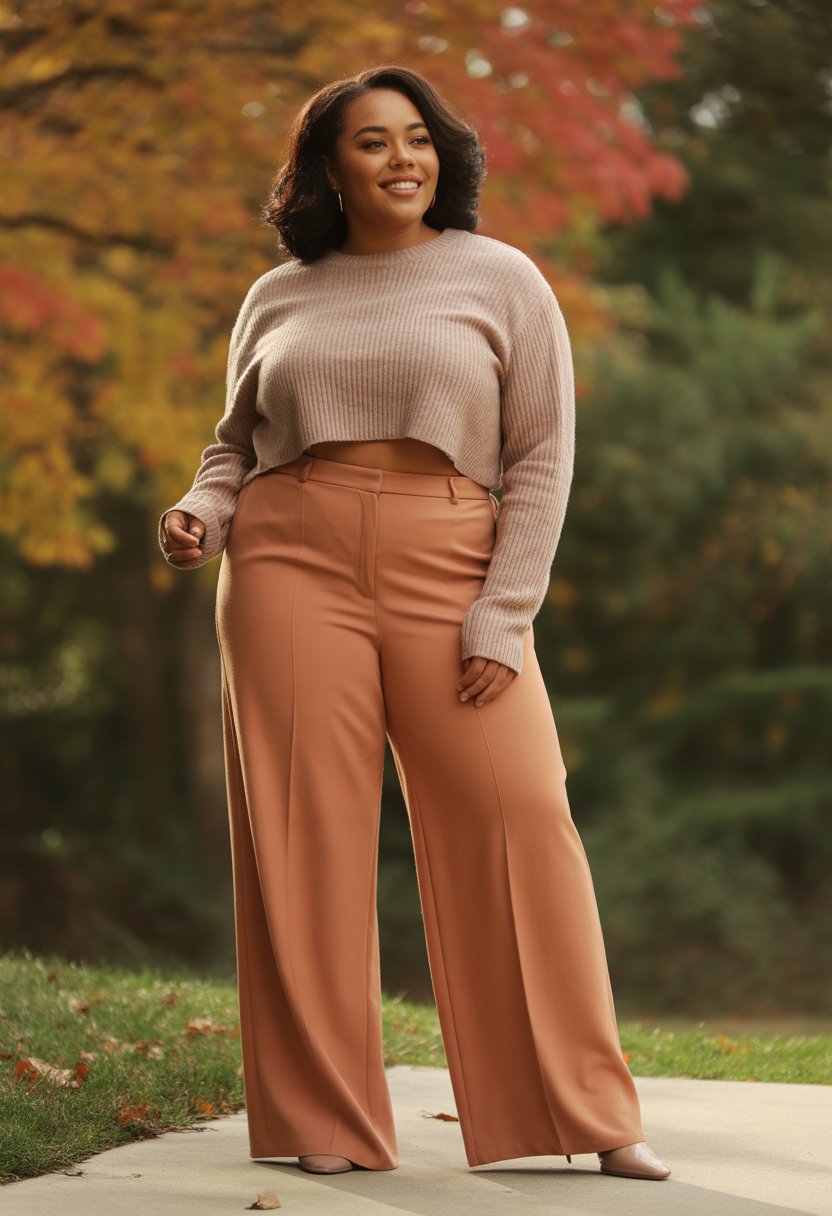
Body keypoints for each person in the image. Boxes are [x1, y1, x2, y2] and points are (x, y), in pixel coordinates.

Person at [158, 64, 671, 1183]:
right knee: (301, 836)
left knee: (520, 812)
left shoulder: (501, 276)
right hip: (289, 559)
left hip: (453, 561)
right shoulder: (279, 294)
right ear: (329, 169)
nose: (402, 158)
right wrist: (202, 510)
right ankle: (322, 1117)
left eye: (417, 138)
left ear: (442, 156)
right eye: (372, 141)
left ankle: (583, 1109)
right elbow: (235, 446)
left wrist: (503, 612)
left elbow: (542, 456)